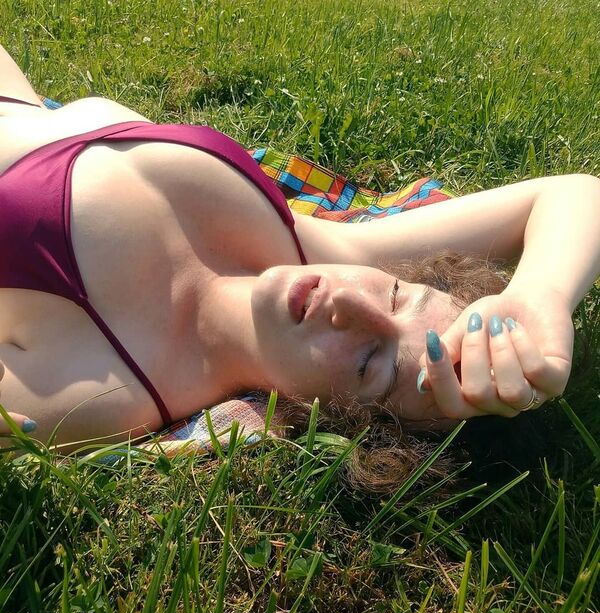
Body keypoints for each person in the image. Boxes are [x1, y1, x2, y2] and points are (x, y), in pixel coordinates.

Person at [0, 44, 599, 450]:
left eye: (369, 363)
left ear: (325, 418)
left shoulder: (108, 391)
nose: (350, 304)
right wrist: (538, 294)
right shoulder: (321, 249)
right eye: (398, 295)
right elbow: (574, 193)